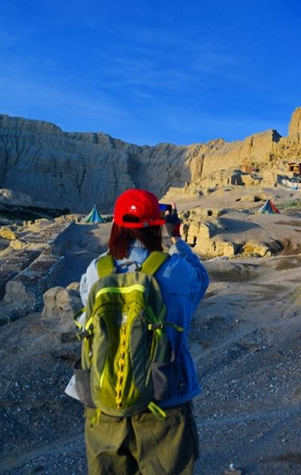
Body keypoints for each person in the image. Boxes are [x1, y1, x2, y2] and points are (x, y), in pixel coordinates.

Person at [78, 189, 209, 474]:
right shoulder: (175, 270)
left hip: (104, 401)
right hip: (164, 399)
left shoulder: (96, 271)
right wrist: (175, 237)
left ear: (116, 227)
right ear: (155, 225)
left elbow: (86, 313)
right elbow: (201, 278)